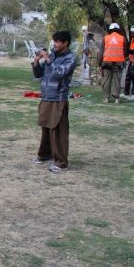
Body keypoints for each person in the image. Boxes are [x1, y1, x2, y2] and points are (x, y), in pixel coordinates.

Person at [31, 30, 77, 173]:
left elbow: (58, 74)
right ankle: (45, 155)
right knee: (45, 127)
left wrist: (48, 60)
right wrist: (37, 61)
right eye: (54, 41)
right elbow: (39, 75)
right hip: (46, 97)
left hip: (58, 99)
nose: (54, 44)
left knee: (58, 130)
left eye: (57, 41)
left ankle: (61, 162)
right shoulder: (52, 56)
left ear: (65, 43)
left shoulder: (70, 58)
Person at [98, 22, 127, 103]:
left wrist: (99, 64)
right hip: (118, 63)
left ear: (110, 30)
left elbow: (101, 52)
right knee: (117, 80)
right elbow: (124, 52)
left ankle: (106, 98)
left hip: (107, 62)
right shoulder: (122, 38)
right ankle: (117, 99)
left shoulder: (106, 38)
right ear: (118, 30)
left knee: (106, 80)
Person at [122, 24, 134, 100]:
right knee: (128, 77)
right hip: (131, 61)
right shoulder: (133, 39)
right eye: (132, 33)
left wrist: (129, 52)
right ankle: (126, 93)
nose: (132, 34)